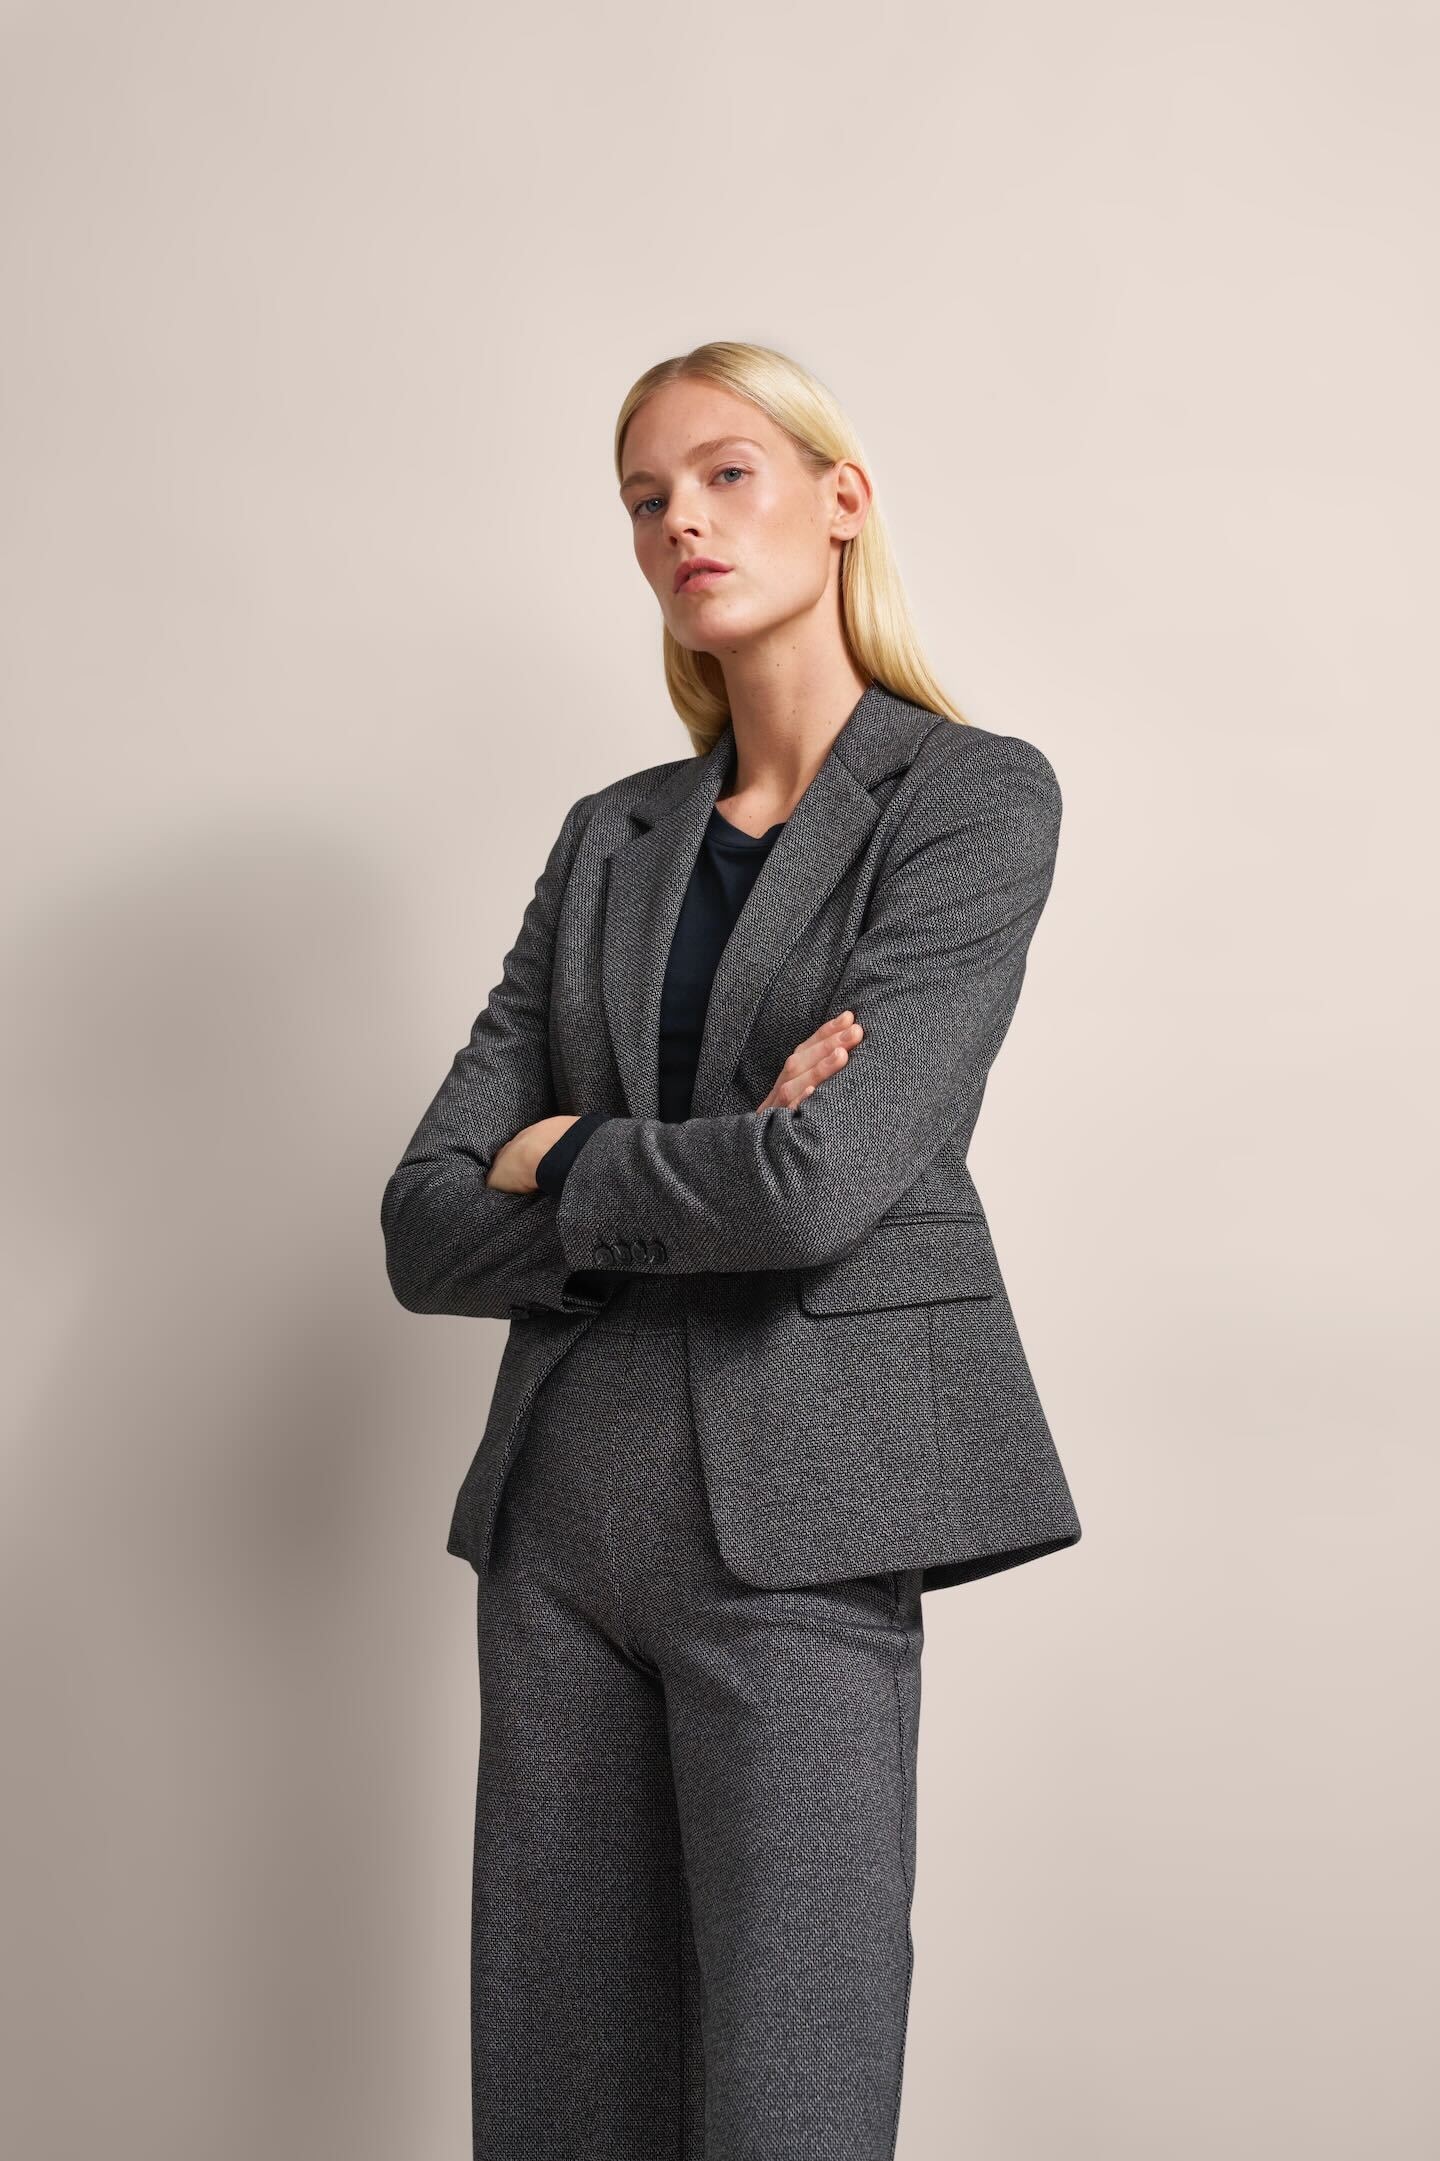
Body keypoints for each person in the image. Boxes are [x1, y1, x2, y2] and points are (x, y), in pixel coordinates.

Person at [381, 339, 1083, 2161]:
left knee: (793, 2086)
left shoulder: (970, 800)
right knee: (560, 2093)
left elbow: (817, 1187)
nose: (681, 520)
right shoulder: (608, 838)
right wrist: (710, 1151)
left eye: (725, 473)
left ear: (843, 498)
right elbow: (426, 1218)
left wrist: (569, 1153)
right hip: (560, 1515)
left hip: (808, 1505)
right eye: (645, 497)